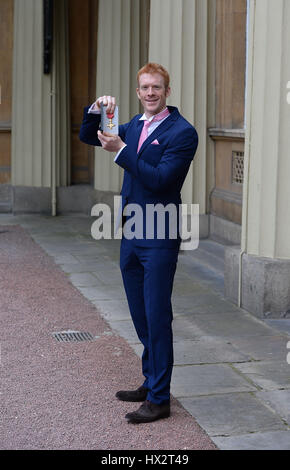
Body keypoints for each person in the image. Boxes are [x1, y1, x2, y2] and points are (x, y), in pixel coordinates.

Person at [79, 63, 198, 423]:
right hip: (132, 231)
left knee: (157, 315)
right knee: (139, 312)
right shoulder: (132, 125)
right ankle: (152, 379)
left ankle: (159, 399)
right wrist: (95, 111)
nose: (150, 93)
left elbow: (162, 180)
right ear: (137, 91)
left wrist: (120, 150)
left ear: (167, 91)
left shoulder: (183, 133)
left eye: (156, 88)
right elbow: (89, 136)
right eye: (145, 87)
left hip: (160, 234)